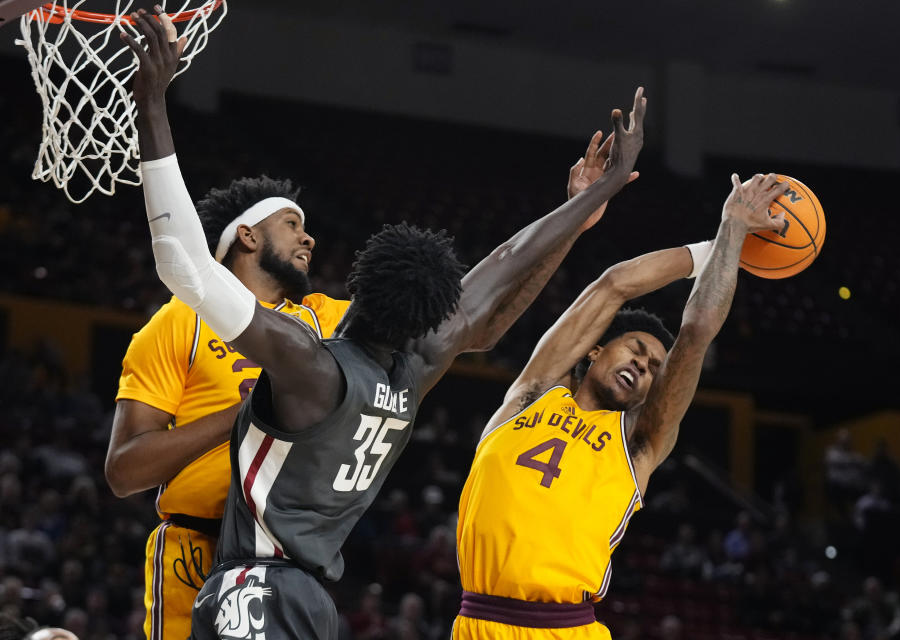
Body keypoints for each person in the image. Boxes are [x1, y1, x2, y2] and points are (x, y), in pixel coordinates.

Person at [120, 8, 647, 638]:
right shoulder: (416, 368)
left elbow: (183, 264)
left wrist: (152, 105)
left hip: (254, 586)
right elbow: (494, 281)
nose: (311, 239)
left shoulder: (309, 361)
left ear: (361, 289)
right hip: (311, 595)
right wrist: (593, 198)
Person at [454, 173, 788, 638]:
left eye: (654, 367)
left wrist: (733, 229)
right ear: (595, 350)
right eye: (635, 347)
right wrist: (704, 249)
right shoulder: (529, 395)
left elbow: (697, 330)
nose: (644, 364)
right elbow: (613, 285)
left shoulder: (637, 445)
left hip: (565, 629)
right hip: (476, 624)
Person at [104, 54, 352, 640]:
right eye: (293, 223)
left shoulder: (322, 319)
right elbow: (124, 472)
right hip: (197, 543)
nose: (309, 235)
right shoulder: (179, 323)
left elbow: (453, 315)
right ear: (247, 235)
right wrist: (242, 415)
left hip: (289, 561)